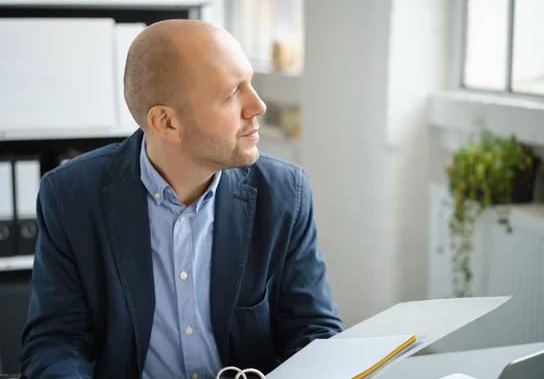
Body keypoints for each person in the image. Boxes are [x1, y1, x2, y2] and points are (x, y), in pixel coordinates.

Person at [19, 19, 345, 379]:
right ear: (166, 123)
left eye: (249, 83)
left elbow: (314, 331)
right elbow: (58, 342)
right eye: (232, 93)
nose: (258, 106)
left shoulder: (285, 192)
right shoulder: (70, 196)